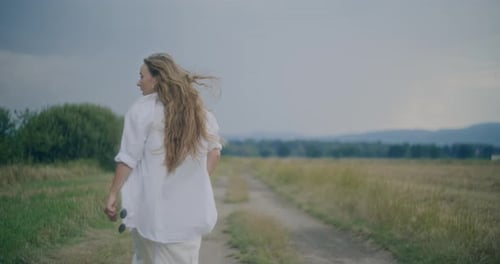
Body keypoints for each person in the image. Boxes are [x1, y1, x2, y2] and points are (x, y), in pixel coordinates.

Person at [104, 53, 222, 264]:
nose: (138, 81)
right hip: (187, 214)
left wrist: (113, 193)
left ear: (157, 78)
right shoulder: (200, 113)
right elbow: (215, 151)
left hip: (148, 211)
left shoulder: (142, 110)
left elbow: (128, 158)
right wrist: (198, 181)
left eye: (142, 76)